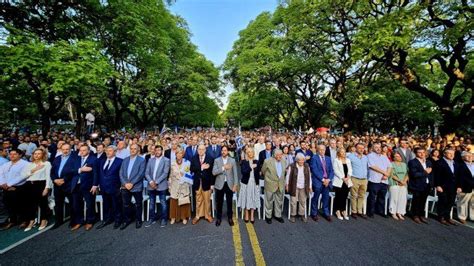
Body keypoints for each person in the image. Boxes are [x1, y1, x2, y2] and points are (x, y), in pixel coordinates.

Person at [21, 148, 52, 231]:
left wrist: (47, 188)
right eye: (35, 154)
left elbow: (48, 176)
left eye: (39, 153)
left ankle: (43, 220)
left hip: (41, 184)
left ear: (43, 155)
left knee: (43, 203)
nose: (37, 155)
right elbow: (23, 176)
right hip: (29, 185)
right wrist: (35, 169)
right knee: (31, 204)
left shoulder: (47, 163)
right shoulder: (29, 164)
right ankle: (32, 221)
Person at [70, 145, 98, 231]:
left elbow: (96, 173)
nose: (82, 152)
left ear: (89, 151)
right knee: (76, 205)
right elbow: (71, 170)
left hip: (88, 185)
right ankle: (79, 221)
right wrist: (80, 170)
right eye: (80, 150)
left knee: (90, 204)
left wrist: (95, 185)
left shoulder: (94, 159)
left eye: (84, 150)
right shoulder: (76, 159)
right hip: (76, 185)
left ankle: (90, 221)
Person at [0, 149, 29, 230]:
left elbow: (23, 176)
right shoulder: (6, 164)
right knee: (8, 205)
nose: (12, 156)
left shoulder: (25, 164)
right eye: (11, 154)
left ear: (20, 155)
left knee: (21, 205)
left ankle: (24, 221)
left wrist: (9, 184)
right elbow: (1, 174)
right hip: (6, 188)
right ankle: (12, 221)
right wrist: (3, 184)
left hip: (19, 188)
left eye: (14, 154)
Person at [95, 145, 123, 229]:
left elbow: (122, 174)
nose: (108, 152)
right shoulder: (102, 161)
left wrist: (121, 186)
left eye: (110, 151)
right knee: (106, 205)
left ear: (115, 152)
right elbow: (99, 173)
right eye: (107, 151)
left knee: (116, 205)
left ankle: (118, 220)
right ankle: (107, 219)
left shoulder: (120, 161)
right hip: (103, 187)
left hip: (115, 187)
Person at [119, 144, 146, 229]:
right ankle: (127, 220)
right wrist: (125, 183)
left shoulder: (142, 160)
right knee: (125, 204)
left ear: (138, 150)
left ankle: (138, 220)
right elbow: (121, 173)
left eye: (135, 149)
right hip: (125, 186)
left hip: (136, 186)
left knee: (138, 204)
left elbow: (141, 174)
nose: (133, 150)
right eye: (131, 149)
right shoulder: (125, 160)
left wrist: (132, 183)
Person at [50, 143, 76, 229]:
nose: (65, 151)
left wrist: (64, 179)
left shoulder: (74, 158)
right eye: (63, 149)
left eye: (67, 149)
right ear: (61, 149)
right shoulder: (57, 159)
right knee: (58, 204)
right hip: (57, 184)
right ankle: (58, 221)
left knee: (72, 203)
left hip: (68, 184)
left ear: (70, 149)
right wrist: (54, 180)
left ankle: (73, 221)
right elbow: (52, 171)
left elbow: (74, 171)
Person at [144, 145, 170, 227]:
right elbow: (146, 172)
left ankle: (164, 219)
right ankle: (152, 218)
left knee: (163, 203)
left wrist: (156, 182)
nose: (157, 152)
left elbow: (165, 173)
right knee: (151, 203)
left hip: (161, 185)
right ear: (154, 151)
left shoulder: (166, 160)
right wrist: (151, 182)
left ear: (162, 151)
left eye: (159, 150)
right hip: (150, 185)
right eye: (156, 150)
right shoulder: (150, 160)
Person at [212, 146, 238, 226]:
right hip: (219, 184)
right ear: (221, 152)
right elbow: (214, 172)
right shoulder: (217, 160)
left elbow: (235, 174)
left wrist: (235, 185)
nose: (223, 152)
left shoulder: (232, 160)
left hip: (229, 184)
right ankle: (218, 218)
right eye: (222, 150)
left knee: (229, 202)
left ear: (228, 151)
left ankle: (230, 218)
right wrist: (223, 168)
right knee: (219, 202)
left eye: (225, 150)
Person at [408, 147, 433, 224]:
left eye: (423, 152)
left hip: (427, 184)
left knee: (423, 200)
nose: (422, 154)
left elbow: (431, 174)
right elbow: (414, 174)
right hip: (417, 184)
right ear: (416, 153)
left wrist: (431, 183)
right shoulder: (412, 162)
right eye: (419, 152)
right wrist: (425, 172)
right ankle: (415, 215)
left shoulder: (428, 162)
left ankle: (420, 214)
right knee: (416, 200)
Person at [309, 144, 334, 222]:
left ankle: (326, 213)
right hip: (318, 181)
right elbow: (314, 170)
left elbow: (331, 171)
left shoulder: (328, 158)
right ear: (317, 150)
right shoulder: (314, 158)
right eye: (320, 149)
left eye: (323, 149)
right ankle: (314, 213)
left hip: (327, 182)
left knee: (326, 198)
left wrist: (328, 179)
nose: (322, 151)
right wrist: (323, 180)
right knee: (316, 198)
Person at [190, 144, 214, 224]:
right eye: (199, 149)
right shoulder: (194, 158)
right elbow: (192, 168)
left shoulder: (210, 158)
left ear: (205, 150)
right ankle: (197, 216)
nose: (200, 151)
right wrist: (201, 167)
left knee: (207, 200)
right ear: (197, 150)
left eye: (202, 149)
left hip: (207, 182)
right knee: (198, 200)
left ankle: (208, 215)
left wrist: (212, 184)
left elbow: (212, 173)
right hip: (197, 182)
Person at [262, 149, 287, 224]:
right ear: (274, 155)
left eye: (281, 154)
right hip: (270, 184)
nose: (279, 156)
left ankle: (277, 215)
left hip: (280, 184)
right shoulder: (267, 161)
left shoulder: (284, 161)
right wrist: (268, 179)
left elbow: (284, 173)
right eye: (278, 155)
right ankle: (268, 216)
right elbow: (263, 171)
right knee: (268, 201)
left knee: (279, 201)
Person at [367, 143, 392, 218]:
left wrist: (386, 174)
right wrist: (385, 173)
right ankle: (370, 211)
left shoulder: (384, 157)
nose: (378, 148)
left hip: (384, 180)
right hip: (374, 179)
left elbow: (390, 166)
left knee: (382, 196)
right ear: (372, 148)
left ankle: (380, 211)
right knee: (372, 196)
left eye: (379, 147)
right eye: (376, 147)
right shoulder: (370, 156)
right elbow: (373, 166)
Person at [285, 153, 312, 223]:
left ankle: (302, 214)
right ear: (297, 160)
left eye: (303, 160)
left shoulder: (306, 166)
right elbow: (288, 176)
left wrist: (310, 186)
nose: (301, 162)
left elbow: (309, 177)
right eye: (300, 160)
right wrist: (287, 185)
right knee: (293, 201)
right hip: (294, 186)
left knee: (302, 201)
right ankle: (293, 215)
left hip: (303, 186)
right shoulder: (292, 166)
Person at [168, 147, 192, 225]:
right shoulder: (172, 163)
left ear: (183, 154)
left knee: (184, 201)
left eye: (181, 153)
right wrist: (169, 186)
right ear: (176, 154)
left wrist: (184, 175)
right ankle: (173, 217)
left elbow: (188, 174)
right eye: (177, 153)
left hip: (184, 185)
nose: (179, 154)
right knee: (174, 202)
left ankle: (184, 217)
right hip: (174, 185)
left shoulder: (187, 162)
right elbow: (171, 175)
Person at [434, 148, 457, 225]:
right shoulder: (439, 162)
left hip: (453, 187)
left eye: (453, 154)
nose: (452, 155)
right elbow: (436, 175)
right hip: (443, 186)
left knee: (451, 202)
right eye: (449, 153)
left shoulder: (455, 163)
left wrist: (459, 186)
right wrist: (437, 185)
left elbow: (458, 176)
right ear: (444, 154)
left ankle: (447, 217)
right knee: (443, 201)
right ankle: (441, 217)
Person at [238, 148, 261, 223]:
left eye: (251, 152)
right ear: (247, 153)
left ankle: (252, 214)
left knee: (253, 198)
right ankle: (246, 214)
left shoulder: (257, 162)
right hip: (246, 183)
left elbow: (258, 173)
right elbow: (243, 172)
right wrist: (251, 167)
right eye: (249, 152)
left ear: (253, 153)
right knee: (246, 198)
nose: (250, 153)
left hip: (254, 183)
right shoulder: (244, 162)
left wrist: (257, 169)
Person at [332, 148, 352, 221]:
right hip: (339, 181)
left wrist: (348, 177)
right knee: (339, 196)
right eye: (342, 152)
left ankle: (343, 210)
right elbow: (336, 170)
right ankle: (337, 211)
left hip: (347, 181)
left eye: (344, 152)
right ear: (339, 153)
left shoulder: (348, 160)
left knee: (345, 196)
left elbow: (350, 170)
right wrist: (343, 178)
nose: (343, 153)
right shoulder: (336, 160)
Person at [388, 152, 408, 220]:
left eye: (399, 156)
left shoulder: (404, 164)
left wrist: (404, 181)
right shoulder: (391, 164)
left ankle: (400, 212)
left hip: (403, 184)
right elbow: (391, 174)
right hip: (395, 183)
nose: (398, 157)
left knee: (402, 199)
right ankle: (393, 212)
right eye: (396, 156)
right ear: (393, 157)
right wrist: (400, 181)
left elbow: (407, 174)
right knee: (394, 198)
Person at [455, 151, 473, 224]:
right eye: (467, 156)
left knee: (473, 203)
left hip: (473, 187)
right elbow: (458, 177)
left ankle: (472, 217)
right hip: (465, 187)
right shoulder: (459, 165)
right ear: (462, 158)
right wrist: (459, 186)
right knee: (462, 202)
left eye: (471, 156)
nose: (470, 157)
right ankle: (462, 217)